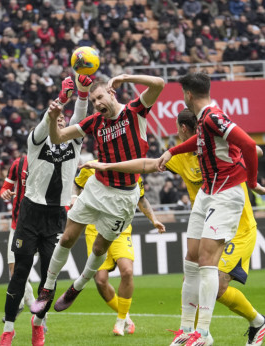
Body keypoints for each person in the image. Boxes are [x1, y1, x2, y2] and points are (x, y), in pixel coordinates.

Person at [80, 107, 265, 345]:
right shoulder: (179, 157)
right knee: (197, 280)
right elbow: (146, 165)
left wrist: (247, 164)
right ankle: (194, 332)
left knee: (215, 284)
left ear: (184, 128)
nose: (175, 133)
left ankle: (249, 324)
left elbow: (254, 149)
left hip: (237, 228)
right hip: (207, 224)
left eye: (177, 128)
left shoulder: (217, 146)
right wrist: (107, 165)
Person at [30, 74, 164, 322]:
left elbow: (159, 83)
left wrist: (125, 77)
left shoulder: (135, 111)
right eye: (92, 101)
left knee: (101, 248)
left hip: (123, 198)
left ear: (112, 93)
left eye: (99, 97)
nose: (97, 104)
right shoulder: (94, 122)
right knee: (68, 236)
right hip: (96, 189)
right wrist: (52, 117)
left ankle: (77, 287)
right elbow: (58, 137)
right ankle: (47, 288)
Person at [0, 74, 93, 346]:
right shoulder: (36, 142)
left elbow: (80, 117)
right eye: (57, 120)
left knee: (50, 277)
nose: (62, 122)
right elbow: (45, 123)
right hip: (30, 214)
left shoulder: (74, 144)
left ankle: (37, 324)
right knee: (21, 271)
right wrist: (59, 102)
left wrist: (83, 94)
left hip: (55, 216)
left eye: (65, 121)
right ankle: (8, 329)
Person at [74, 162, 165, 336]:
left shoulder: (132, 171)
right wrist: (74, 199)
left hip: (120, 229)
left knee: (127, 271)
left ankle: (120, 321)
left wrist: (154, 219)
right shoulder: (89, 168)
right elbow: (76, 186)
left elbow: (141, 199)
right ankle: (127, 317)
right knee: (100, 280)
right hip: (94, 230)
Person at [0, 154, 35, 320]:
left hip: (40, 228)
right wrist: (4, 193)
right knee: (15, 273)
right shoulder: (18, 163)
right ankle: (36, 312)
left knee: (45, 276)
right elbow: (5, 187)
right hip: (17, 226)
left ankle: (36, 313)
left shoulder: (51, 161)